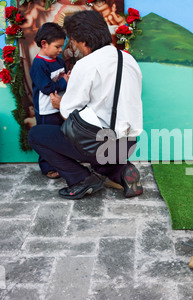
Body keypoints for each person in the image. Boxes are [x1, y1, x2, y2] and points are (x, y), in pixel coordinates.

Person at [28, 10, 143, 200]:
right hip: (128, 143)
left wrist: (59, 103)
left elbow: (68, 112)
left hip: (98, 145)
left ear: (82, 41)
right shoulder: (127, 59)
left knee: (36, 135)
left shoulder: (86, 65)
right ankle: (121, 171)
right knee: (101, 141)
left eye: (73, 41)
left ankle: (81, 178)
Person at [30, 22, 70, 179]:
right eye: (57, 46)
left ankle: (62, 163)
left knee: (60, 137)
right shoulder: (38, 65)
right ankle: (47, 167)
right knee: (46, 138)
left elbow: (65, 75)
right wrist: (64, 81)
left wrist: (68, 78)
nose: (60, 50)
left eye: (62, 46)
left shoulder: (58, 60)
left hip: (60, 107)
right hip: (46, 110)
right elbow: (46, 88)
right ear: (44, 44)